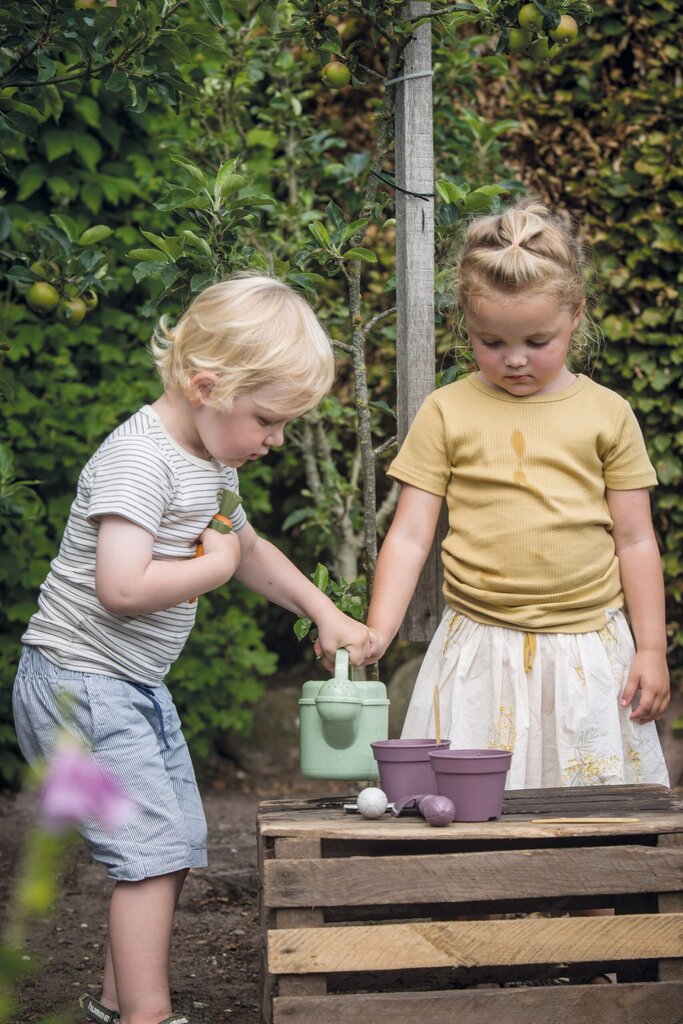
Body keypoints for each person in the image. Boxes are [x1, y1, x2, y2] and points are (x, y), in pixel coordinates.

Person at [12, 274, 373, 1024]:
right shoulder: (138, 460)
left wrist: (321, 612)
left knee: (170, 844)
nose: (274, 440)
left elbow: (244, 548)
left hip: (127, 682)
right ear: (207, 386)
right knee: (151, 853)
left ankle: (117, 1008)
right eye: (269, 420)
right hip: (80, 682)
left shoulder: (212, 461)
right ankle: (147, 1015)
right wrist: (208, 568)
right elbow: (121, 585)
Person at [365, 198, 669, 790]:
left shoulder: (609, 414)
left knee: (589, 812)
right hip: (478, 646)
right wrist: (379, 628)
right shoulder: (447, 410)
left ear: (576, 315)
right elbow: (409, 532)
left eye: (537, 340)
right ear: (466, 324)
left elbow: (635, 539)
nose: (515, 360)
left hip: (587, 649)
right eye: (491, 341)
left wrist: (652, 649)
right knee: (466, 810)